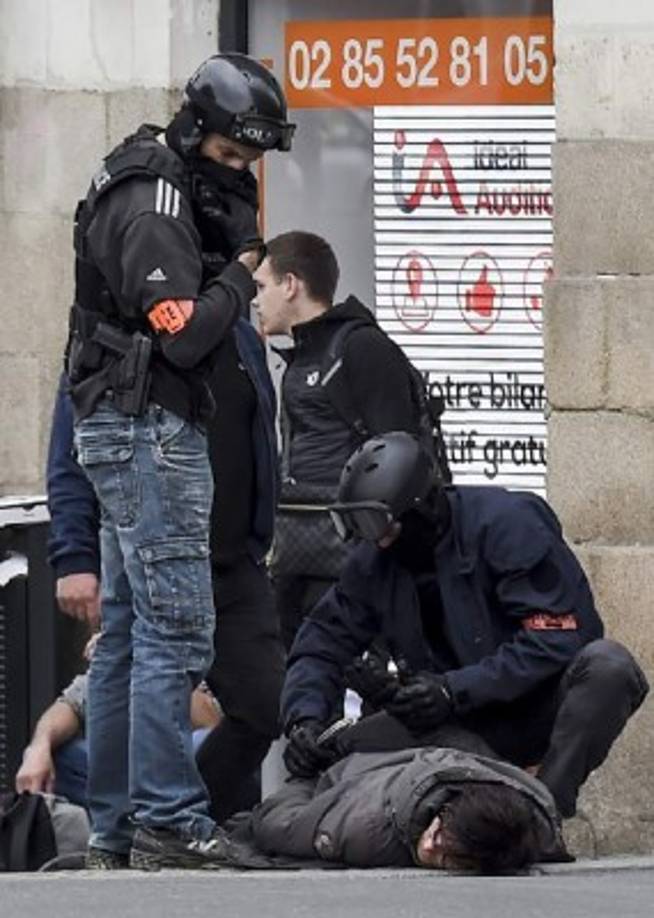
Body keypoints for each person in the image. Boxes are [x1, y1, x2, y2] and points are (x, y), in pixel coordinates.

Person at [59, 52, 293, 870]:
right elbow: (187, 336)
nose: (239, 173)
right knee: (174, 628)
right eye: (230, 155)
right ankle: (167, 818)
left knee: (129, 631)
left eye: (250, 162)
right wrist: (240, 271)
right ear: (196, 129)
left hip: (135, 424)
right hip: (147, 426)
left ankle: (118, 828)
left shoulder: (167, 185)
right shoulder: (153, 200)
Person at [280, 432, 649, 822]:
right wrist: (305, 718)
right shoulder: (372, 563)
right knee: (330, 759)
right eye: (356, 523)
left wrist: (453, 689)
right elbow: (322, 641)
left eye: (378, 523)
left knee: (609, 667)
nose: (376, 540)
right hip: (448, 726)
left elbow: (558, 637)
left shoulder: (506, 524)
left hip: (534, 707)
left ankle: (546, 810)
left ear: (420, 508)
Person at [252, 231, 422, 650]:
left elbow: (400, 451)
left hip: (352, 559)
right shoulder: (298, 356)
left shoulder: (360, 346)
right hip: (297, 556)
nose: (254, 300)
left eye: (261, 286)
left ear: (290, 284)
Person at [226, 746, 557, 873]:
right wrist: (301, 783)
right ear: (447, 809)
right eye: (439, 834)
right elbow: (277, 825)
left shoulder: (535, 823)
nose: (428, 847)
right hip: (338, 776)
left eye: (447, 858)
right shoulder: (364, 830)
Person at [15, 640, 221, 810]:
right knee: (61, 756)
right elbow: (71, 704)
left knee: (199, 744)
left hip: (199, 774)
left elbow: (214, 727)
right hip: (139, 773)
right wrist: (39, 746)